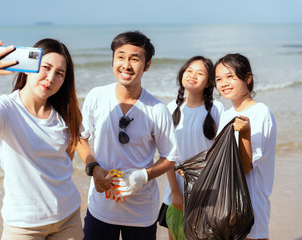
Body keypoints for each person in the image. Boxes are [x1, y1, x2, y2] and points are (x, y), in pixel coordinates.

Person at [0, 38, 84, 240]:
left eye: (59, 74)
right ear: (28, 67)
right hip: (24, 224)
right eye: (45, 68)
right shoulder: (7, 108)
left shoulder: (65, 112)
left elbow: (65, 159)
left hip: (68, 216)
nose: (50, 78)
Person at [76, 31, 180, 240]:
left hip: (141, 212)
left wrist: (143, 176)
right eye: (121, 57)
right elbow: (80, 138)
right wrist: (93, 168)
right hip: (101, 208)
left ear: (147, 65)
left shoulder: (157, 109)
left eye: (135, 58)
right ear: (113, 60)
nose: (126, 64)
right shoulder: (97, 96)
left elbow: (171, 157)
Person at [157, 56, 224, 239]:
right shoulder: (170, 108)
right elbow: (167, 156)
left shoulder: (217, 109)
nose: (193, 75)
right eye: (189, 70)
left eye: (200, 73)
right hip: (175, 194)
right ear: (182, 74)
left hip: (207, 194)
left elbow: (220, 155)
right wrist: (175, 192)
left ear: (209, 81)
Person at [214, 53, 277, 240]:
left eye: (230, 76)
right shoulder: (226, 115)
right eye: (219, 79)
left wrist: (245, 133)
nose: (224, 83)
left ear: (248, 78)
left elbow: (246, 166)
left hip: (251, 203)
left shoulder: (260, 112)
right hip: (227, 204)